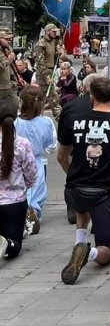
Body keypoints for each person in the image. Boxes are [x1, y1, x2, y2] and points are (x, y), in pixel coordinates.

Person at [57, 77, 110, 284]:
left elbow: (61, 156)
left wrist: (72, 175)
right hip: (104, 192)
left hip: (74, 191)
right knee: (106, 252)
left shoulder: (74, 121)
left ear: (91, 96)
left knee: (82, 206)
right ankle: (90, 252)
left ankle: (79, 242)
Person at [14, 86, 56, 232]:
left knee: (19, 188)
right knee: (37, 189)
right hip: (36, 160)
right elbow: (51, 146)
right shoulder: (46, 122)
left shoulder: (15, 122)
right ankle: (34, 212)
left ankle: (23, 214)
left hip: (17, 160)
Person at [0, 106, 38, 261]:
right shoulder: (22, 144)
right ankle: (7, 244)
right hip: (15, 202)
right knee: (14, 248)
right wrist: (27, 184)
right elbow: (31, 171)